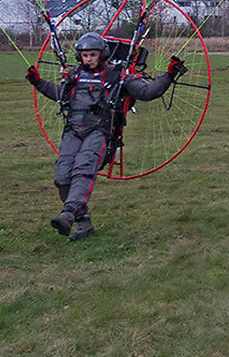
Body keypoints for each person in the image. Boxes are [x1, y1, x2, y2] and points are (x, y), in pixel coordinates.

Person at [26, 31, 185, 241]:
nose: (88, 59)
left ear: (102, 54)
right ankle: (84, 223)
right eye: (85, 55)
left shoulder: (118, 76)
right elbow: (60, 95)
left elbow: (146, 92)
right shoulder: (75, 75)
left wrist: (169, 75)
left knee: (83, 169)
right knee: (62, 178)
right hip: (73, 130)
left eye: (92, 55)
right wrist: (38, 82)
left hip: (99, 132)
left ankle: (68, 215)